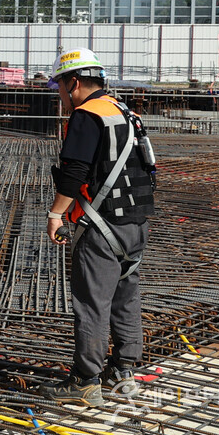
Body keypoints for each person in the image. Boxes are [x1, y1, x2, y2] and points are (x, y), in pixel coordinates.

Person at [40, 48, 155, 407]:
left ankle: (86, 380)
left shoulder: (86, 115)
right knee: (126, 297)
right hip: (136, 223)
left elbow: (74, 171)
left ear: (74, 82)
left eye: (60, 85)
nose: (60, 94)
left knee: (92, 304)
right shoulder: (125, 112)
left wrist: (56, 214)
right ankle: (122, 370)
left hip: (102, 226)